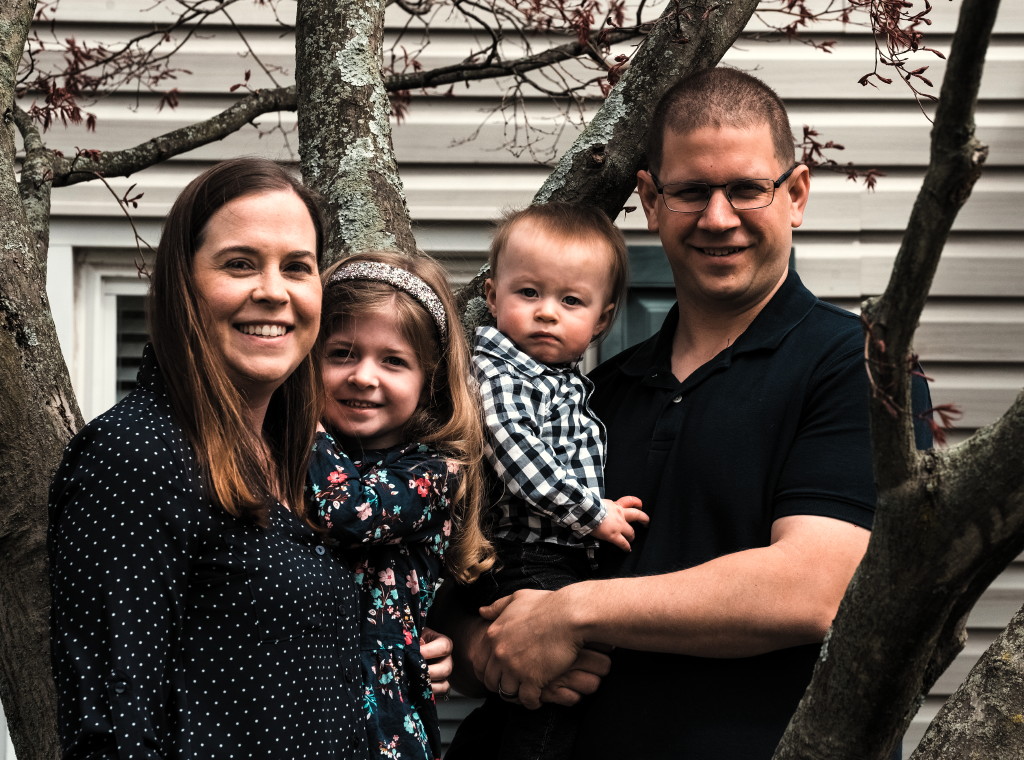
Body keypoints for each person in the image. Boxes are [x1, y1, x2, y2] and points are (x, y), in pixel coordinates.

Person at [450, 67, 933, 759]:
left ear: (795, 194)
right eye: (690, 192)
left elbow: (814, 587)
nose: (717, 217)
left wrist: (570, 611)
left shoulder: (857, 367)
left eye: (745, 188)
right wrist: (487, 647)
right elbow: (474, 589)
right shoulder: (592, 393)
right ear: (650, 199)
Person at [48, 158, 453, 758]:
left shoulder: (304, 463)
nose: (272, 291)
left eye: (297, 267)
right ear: (183, 283)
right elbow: (113, 730)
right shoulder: (140, 454)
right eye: (240, 264)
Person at [466, 203, 648, 759]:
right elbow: (520, 461)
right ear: (493, 296)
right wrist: (593, 513)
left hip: (555, 554)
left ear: (601, 320)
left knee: (537, 692)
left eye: (570, 301)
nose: (547, 313)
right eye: (529, 293)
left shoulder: (563, 382)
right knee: (549, 698)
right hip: (526, 555)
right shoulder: (496, 372)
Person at [307, 251, 495, 760]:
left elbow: (347, 512)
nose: (364, 376)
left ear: (428, 380)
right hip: (294, 701)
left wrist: (301, 423)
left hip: (382, 718)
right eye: (342, 353)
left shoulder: (434, 473)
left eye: (393, 361)